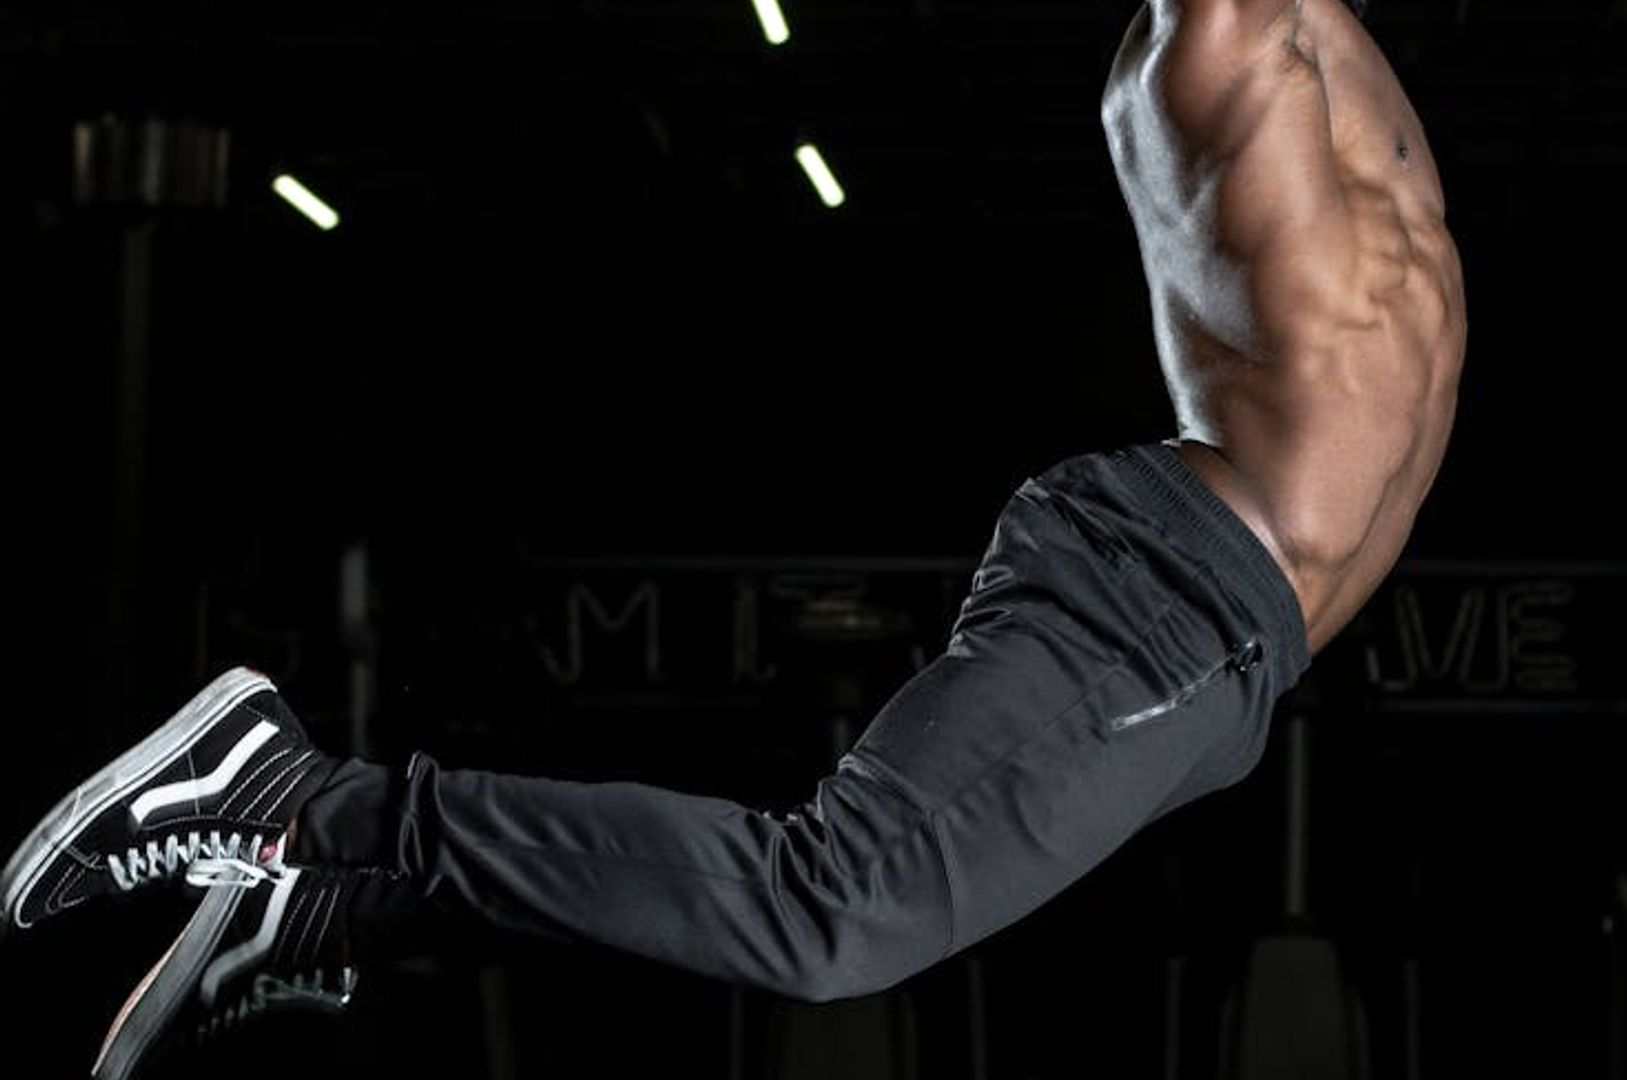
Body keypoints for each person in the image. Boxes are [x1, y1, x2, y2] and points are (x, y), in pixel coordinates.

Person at [1, 2, 1464, 1076]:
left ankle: (342, 909)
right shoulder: (1220, 48)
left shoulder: (1334, 56)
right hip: (1175, 588)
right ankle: (299, 798)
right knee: (832, 916)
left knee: (832, 911)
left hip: (1233, 658)